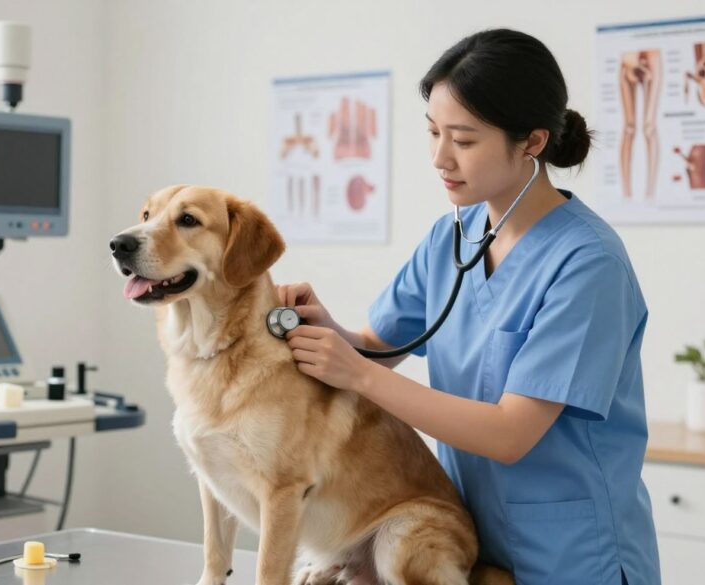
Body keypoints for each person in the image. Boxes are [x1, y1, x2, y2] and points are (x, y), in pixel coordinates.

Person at [278, 29, 660, 585]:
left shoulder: (588, 264)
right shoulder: (449, 239)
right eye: (433, 132)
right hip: (473, 546)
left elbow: (510, 434)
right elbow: (382, 349)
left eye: (463, 139)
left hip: (573, 557)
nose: (439, 157)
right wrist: (327, 330)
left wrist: (354, 371)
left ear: (531, 142)